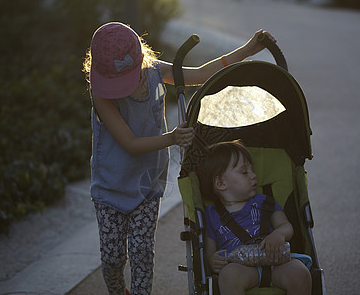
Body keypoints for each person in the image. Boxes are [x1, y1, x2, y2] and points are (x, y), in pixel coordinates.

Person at [82, 22, 275, 295]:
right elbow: (130, 143)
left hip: (147, 183)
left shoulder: (155, 72)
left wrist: (247, 49)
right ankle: (117, 290)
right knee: (113, 259)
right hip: (110, 185)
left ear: (141, 60)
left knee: (141, 255)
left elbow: (200, 74)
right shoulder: (102, 94)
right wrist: (172, 138)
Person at [197, 140, 312, 295]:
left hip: (276, 261)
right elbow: (210, 251)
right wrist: (212, 260)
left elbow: (286, 226)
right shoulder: (212, 214)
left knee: (300, 272)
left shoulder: (265, 202)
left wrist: (279, 234)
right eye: (245, 172)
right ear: (220, 183)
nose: (253, 175)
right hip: (241, 268)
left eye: (252, 169)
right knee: (228, 276)